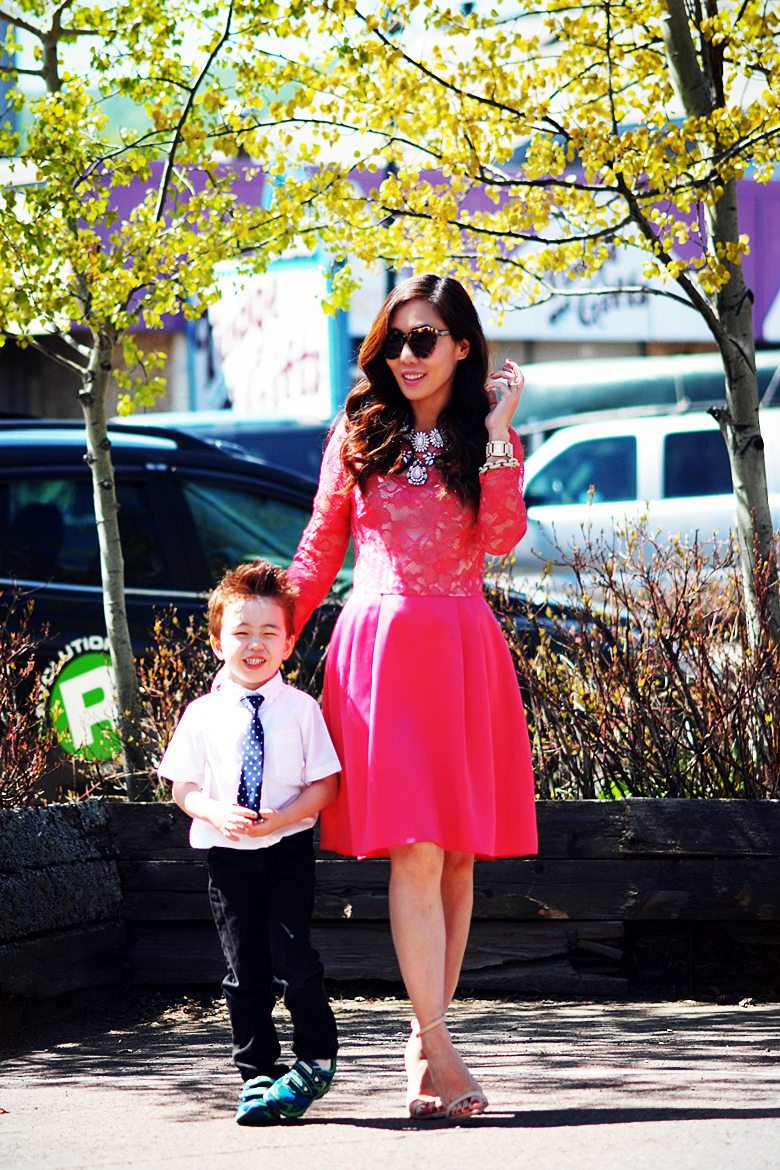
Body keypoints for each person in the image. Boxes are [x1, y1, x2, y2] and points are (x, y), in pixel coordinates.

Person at [286, 273, 538, 1122]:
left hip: (463, 649)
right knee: (417, 851)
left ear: (462, 347)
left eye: (423, 339)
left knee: (458, 856)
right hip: (382, 656)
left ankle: (422, 1042)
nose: (405, 356)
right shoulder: (356, 433)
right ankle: (439, 1047)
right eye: (394, 341)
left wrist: (499, 434)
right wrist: (262, 648)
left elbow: (502, 537)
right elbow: (318, 550)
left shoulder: (486, 438)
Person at [158, 560, 340, 1126]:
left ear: (288, 644)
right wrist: (214, 810)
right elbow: (183, 785)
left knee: (294, 959)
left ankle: (316, 1053)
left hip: (286, 853)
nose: (254, 645)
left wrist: (281, 817)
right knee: (243, 969)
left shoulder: (302, 711)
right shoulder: (203, 715)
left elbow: (326, 786)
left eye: (268, 633)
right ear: (217, 643)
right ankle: (256, 1071)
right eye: (240, 633)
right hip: (226, 857)